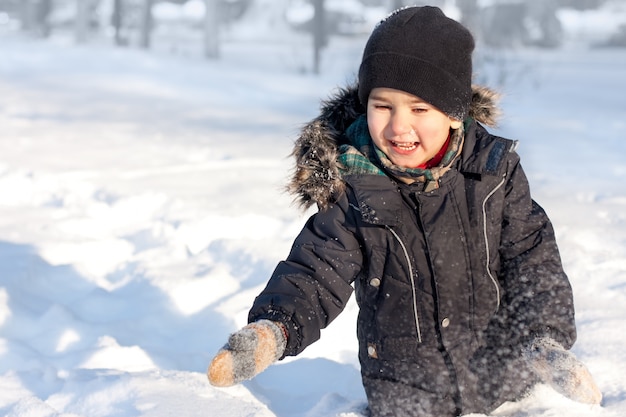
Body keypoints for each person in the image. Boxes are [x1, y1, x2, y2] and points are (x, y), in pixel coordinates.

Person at [207, 6, 602, 416]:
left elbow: (532, 256)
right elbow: (317, 268)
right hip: (404, 389)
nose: (398, 126)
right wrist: (275, 328)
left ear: (452, 115)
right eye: (383, 106)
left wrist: (542, 338)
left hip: (503, 382)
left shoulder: (492, 172)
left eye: (418, 109)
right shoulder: (353, 186)